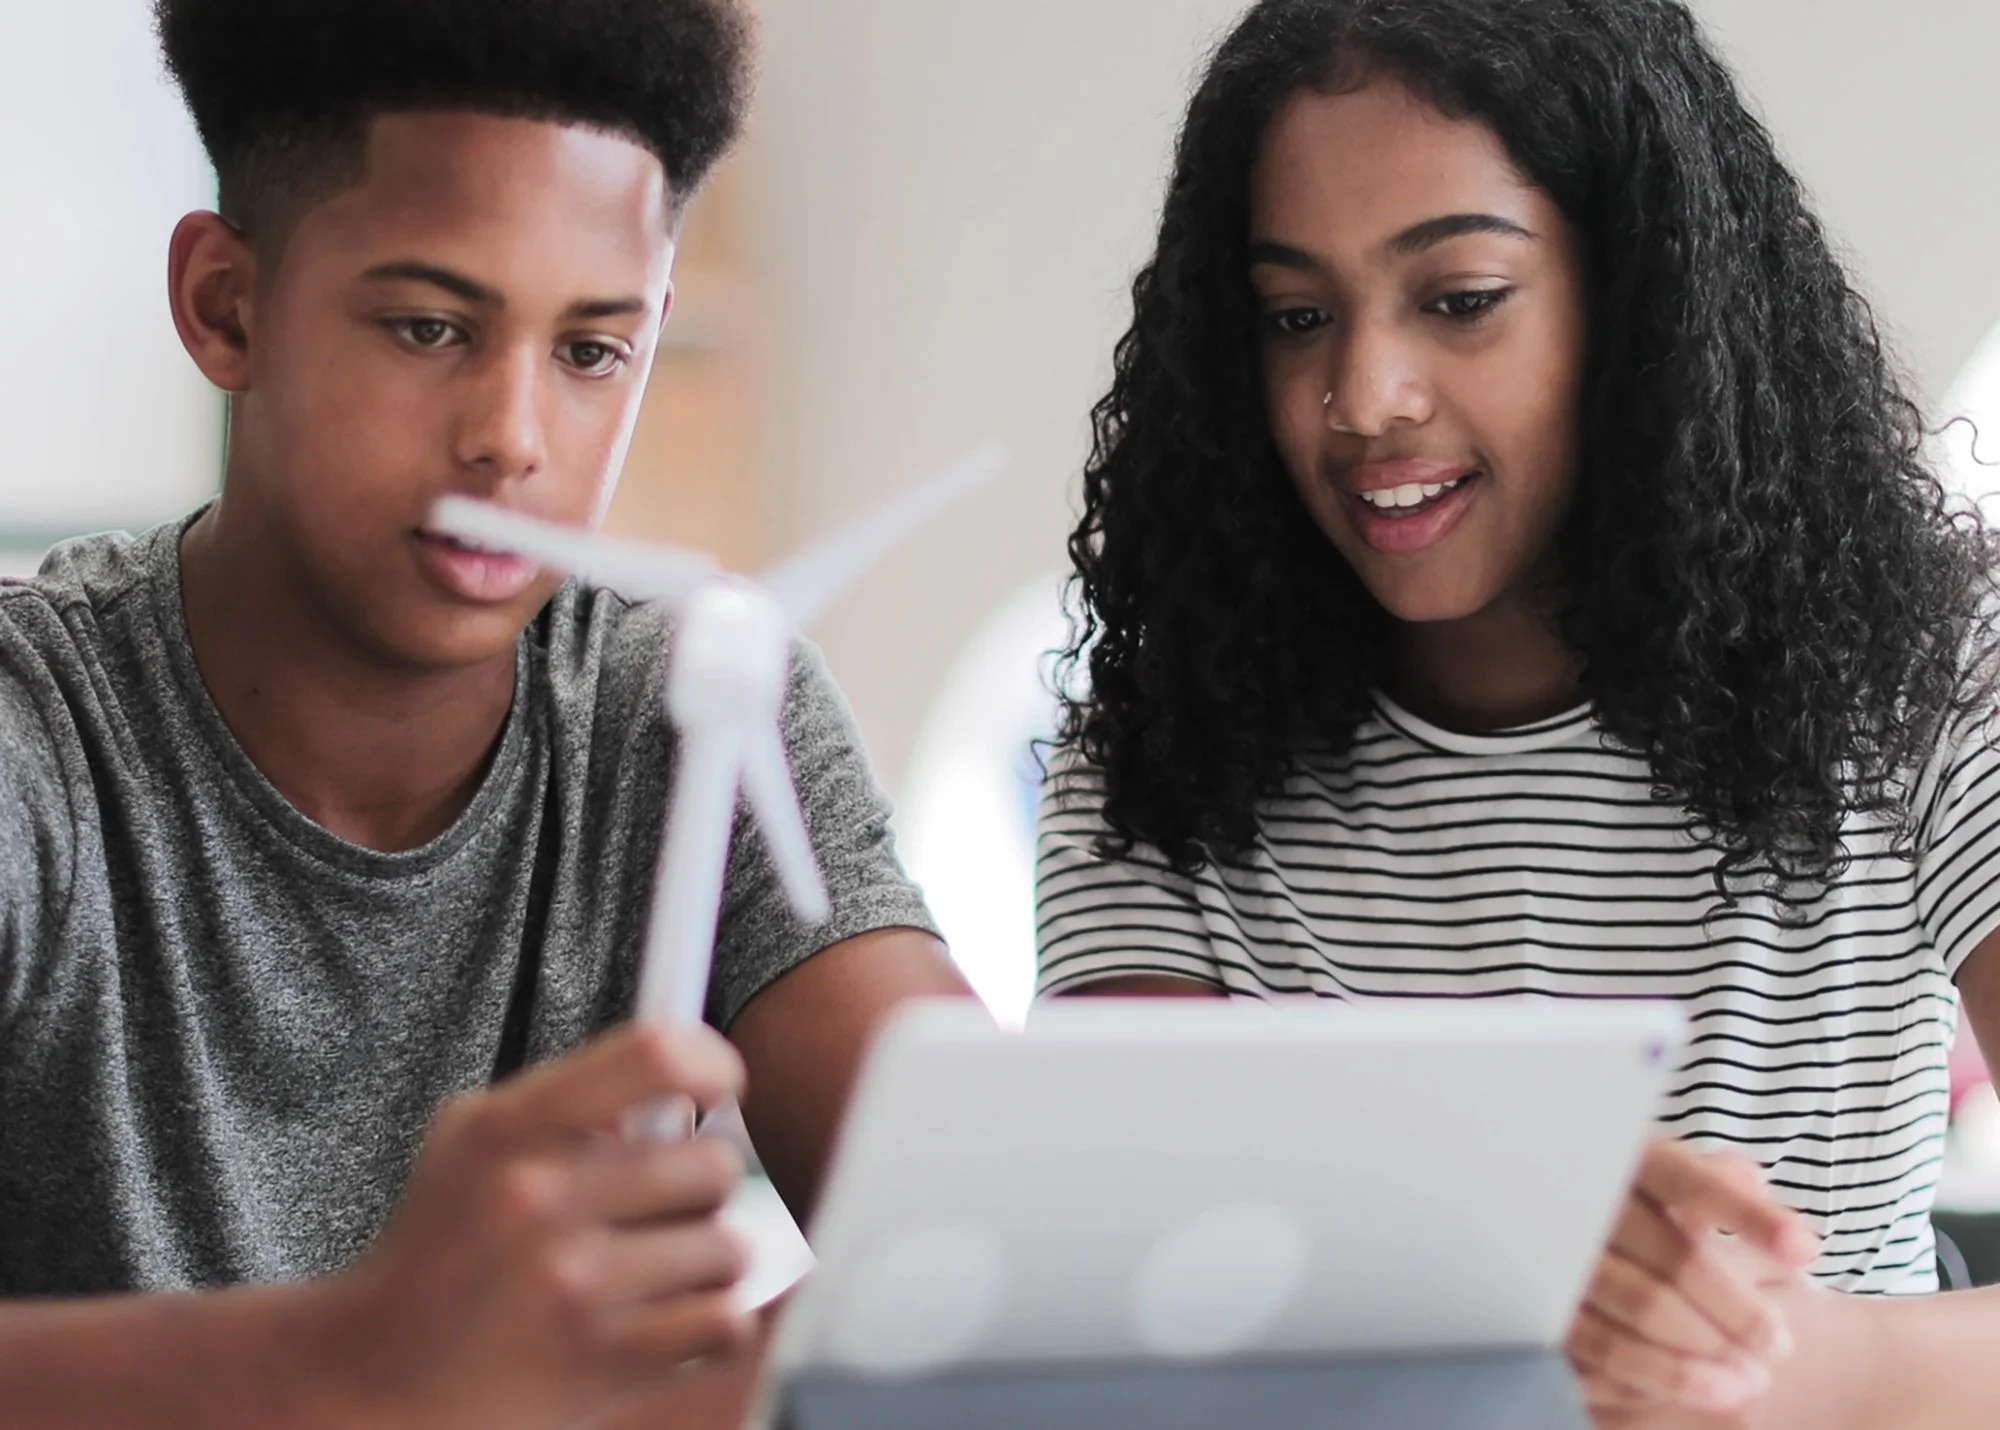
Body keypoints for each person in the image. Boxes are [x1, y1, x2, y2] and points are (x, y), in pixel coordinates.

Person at [0, 0, 970, 1425]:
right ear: (226, 304)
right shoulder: (38, 737)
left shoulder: (690, 698)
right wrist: (363, 1355)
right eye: (430, 325)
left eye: (593, 351)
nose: (513, 435)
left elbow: (980, 1239)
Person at [1038, 0, 2000, 1424]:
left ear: (1643, 298)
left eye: (1461, 297)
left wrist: (1798, 1365)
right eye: (1296, 317)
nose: (1363, 397)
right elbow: (1131, 1324)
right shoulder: (1163, 752)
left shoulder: (1925, 665)